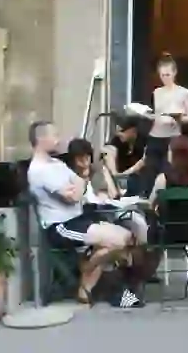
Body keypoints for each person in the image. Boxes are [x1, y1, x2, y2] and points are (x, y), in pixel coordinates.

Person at [25, 122, 143, 308]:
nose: (59, 139)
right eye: (54, 135)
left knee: (128, 237)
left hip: (78, 219)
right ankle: (88, 277)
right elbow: (73, 196)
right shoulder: (39, 170)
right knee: (118, 243)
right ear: (41, 139)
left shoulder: (56, 163)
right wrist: (78, 184)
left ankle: (85, 283)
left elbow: (78, 182)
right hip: (61, 226)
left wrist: (78, 183)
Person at [139, 54, 188, 195]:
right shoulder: (157, 92)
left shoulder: (183, 93)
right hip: (155, 136)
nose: (165, 78)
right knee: (149, 171)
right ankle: (147, 202)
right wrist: (148, 115)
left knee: (168, 172)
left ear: (175, 73)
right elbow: (157, 114)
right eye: (162, 75)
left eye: (168, 74)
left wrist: (178, 118)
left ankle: (163, 204)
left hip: (172, 137)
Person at [101, 115, 145, 196]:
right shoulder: (118, 141)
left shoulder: (142, 143)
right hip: (121, 181)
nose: (118, 134)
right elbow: (107, 150)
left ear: (133, 131)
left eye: (122, 131)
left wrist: (126, 173)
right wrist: (115, 173)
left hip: (137, 179)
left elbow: (144, 161)